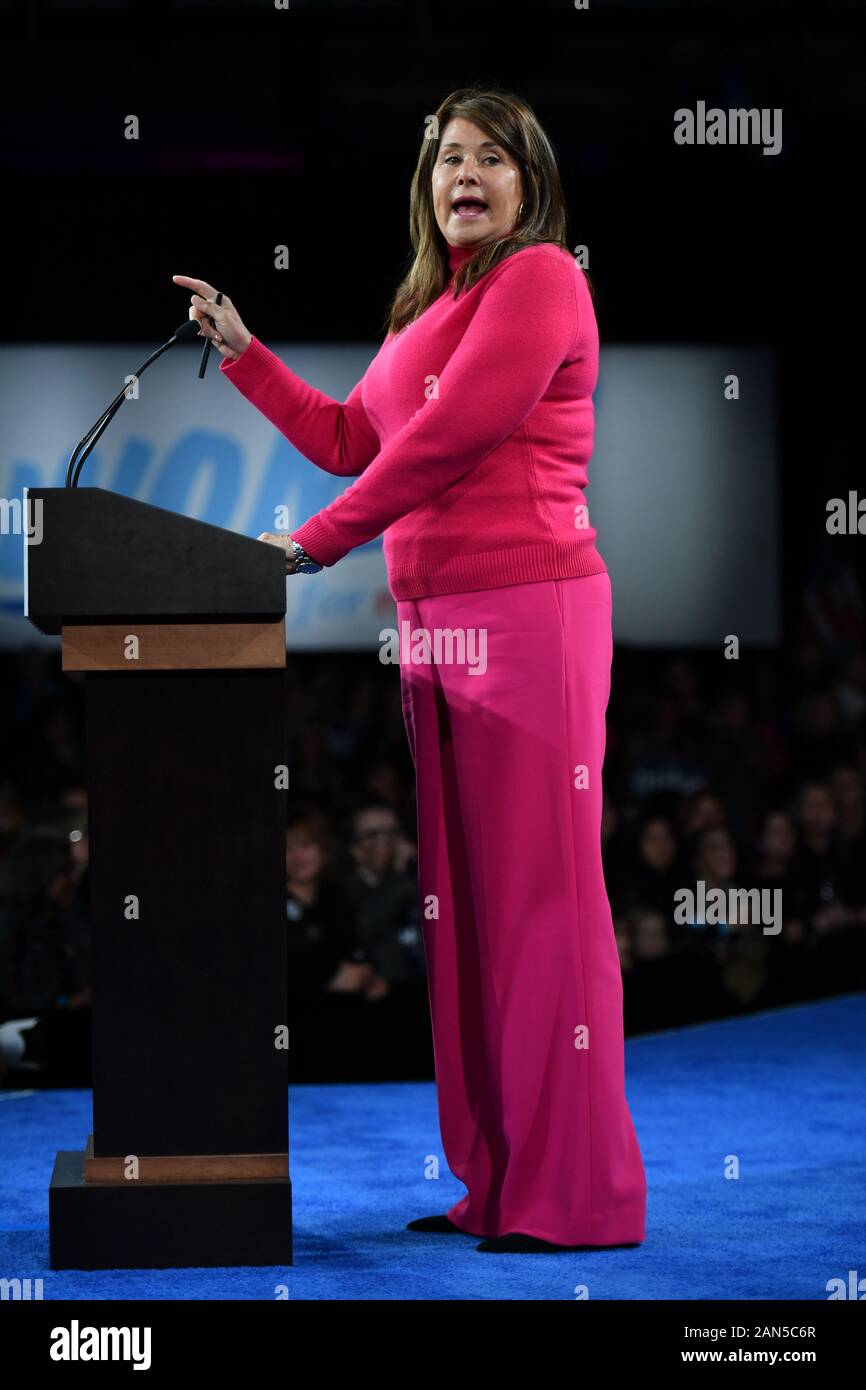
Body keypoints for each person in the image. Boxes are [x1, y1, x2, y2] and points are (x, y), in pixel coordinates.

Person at [172, 84, 646, 1252]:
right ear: (424, 186)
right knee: (467, 919)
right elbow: (354, 437)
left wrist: (317, 538)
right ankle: (493, 1185)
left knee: (539, 909)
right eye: (446, 160)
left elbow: (455, 437)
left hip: (530, 613)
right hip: (434, 627)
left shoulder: (541, 279)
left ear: (529, 184)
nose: (464, 176)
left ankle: (573, 1196)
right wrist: (244, 355)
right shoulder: (423, 308)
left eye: (491, 158)